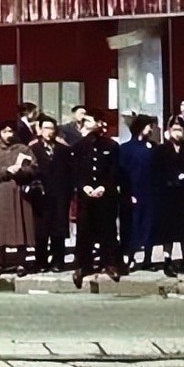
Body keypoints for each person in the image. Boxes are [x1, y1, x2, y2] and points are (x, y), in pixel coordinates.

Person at [72, 111, 121, 288]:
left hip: (105, 195)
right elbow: (75, 171)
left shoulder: (111, 146)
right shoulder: (79, 146)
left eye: (91, 119)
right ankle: (82, 265)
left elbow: (114, 171)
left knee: (107, 230)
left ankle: (110, 263)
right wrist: (84, 186)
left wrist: (103, 187)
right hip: (86, 196)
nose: (87, 122)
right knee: (84, 231)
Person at [0, 120, 37, 276]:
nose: (8, 134)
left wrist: (20, 171)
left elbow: (33, 167)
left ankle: (21, 262)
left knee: (20, 226)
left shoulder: (23, 149)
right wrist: (6, 170)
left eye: (11, 131)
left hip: (18, 190)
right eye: (5, 131)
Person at [152, 116, 184, 277]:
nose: (177, 132)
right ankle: (167, 261)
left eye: (180, 129)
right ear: (168, 131)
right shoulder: (160, 150)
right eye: (174, 129)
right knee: (168, 231)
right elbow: (156, 172)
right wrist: (169, 181)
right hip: (167, 196)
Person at [29, 115, 72, 273]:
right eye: (46, 128)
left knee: (58, 229)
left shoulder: (63, 149)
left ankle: (58, 260)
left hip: (59, 194)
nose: (49, 132)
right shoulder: (33, 149)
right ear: (39, 130)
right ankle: (40, 261)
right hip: (40, 195)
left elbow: (69, 172)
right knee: (41, 230)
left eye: (52, 129)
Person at [117, 114, 158, 272]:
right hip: (132, 193)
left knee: (149, 227)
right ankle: (129, 257)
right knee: (131, 227)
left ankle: (148, 259)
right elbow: (121, 174)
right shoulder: (126, 148)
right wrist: (127, 193)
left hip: (150, 194)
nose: (151, 130)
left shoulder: (153, 148)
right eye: (149, 126)